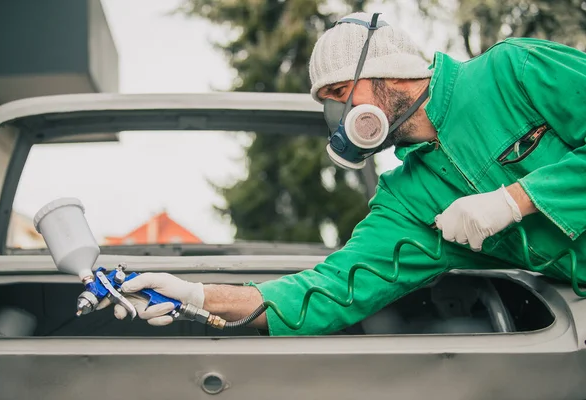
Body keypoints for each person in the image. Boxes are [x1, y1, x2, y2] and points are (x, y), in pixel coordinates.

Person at [110, 11, 586, 336]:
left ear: (389, 70)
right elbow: (330, 289)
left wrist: (516, 200)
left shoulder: (512, 71)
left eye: (340, 92)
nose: (338, 116)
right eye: (328, 105)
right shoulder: (407, 200)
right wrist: (196, 295)